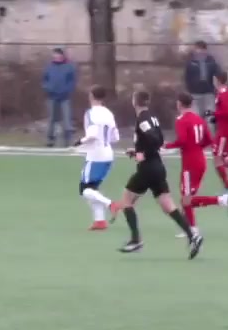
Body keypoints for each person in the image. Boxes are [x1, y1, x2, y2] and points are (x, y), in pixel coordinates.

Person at [110, 89, 203, 258]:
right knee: (168, 205)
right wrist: (137, 150)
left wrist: (144, 154)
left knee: (126, 200)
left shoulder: (143, 119)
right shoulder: (151, 117)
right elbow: (158, 138)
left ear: (135, 101)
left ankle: (136, 240)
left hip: (148, 168)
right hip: (157, 167)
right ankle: (193, 235)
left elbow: (154, 139)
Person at [165, 92, 228, 238]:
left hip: (190, 163)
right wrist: (196, 147)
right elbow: (209, 139)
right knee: (188, 198)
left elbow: (182, 140)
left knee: (186, 200)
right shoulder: (199, 120)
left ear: (180, 104)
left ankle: (195, 227)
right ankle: (189, 226)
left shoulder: (181, 120)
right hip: (200, 160)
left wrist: (167, 146)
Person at [74, 86, 120, 231]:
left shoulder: (90, 113)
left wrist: (79, 142)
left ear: (92, 96)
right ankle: (99, 221)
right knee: (93, 189)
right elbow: (115, 137)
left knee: (85, 190)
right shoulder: (109, 113)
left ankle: (110, 204)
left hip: (96, 155)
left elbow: (92, 135)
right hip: (108, 154)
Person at [42, 47, 77, 147]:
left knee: (67, 119)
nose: (56, 57)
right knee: (51, 119)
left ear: (62, 56)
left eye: (58, 55)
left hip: (64, 97)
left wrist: (67, 91)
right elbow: (45, 80)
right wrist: (48, 89)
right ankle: (50, 140)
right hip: (52, 97)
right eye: (54, 55)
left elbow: (72, 81)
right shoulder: (49, 67)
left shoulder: (69, 67)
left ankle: (68, 140)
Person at [184, 41, 221, 119]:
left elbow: (217, 74)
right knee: (196, 118)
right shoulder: (191, 62)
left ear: (205, 50)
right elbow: (187, 77)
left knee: (210, 118)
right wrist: (189, 90)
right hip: (195, 94)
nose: (199, 52)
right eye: (197, 49)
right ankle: (199, 131)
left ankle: (209, 131)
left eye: (201, 49)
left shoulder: (211, 61)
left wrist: (216, 88)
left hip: (208, 93)